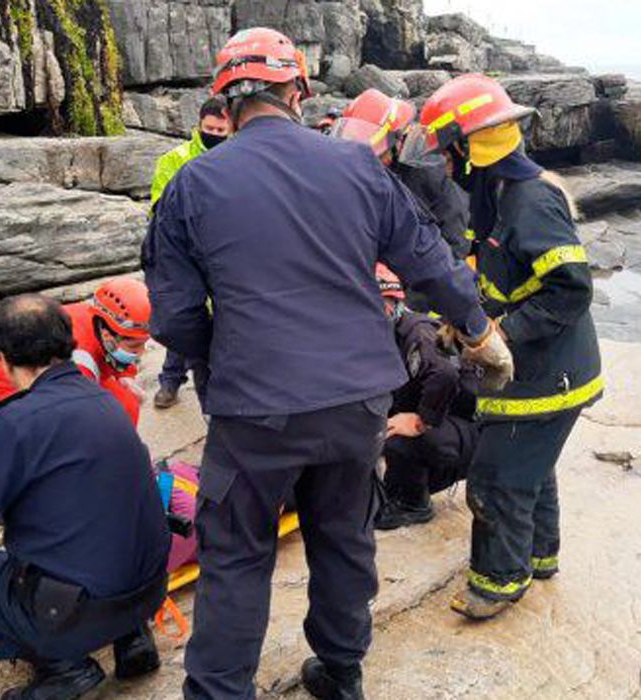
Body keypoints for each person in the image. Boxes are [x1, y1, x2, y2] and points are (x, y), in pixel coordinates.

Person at [143, 27, 510, 700]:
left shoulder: (192, 185)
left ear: (223, 102)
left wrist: (213, 369)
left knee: (237, 556)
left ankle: (221, 691)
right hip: (356, 400)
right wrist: (480, 329)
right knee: (343, 538)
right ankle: (341, 674)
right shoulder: (355, 166)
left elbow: (173, 317)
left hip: (253, 409)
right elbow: (431, 259)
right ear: (299, 90)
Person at [0, 294, 171, 699]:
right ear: (68, 342)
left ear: (3, 358)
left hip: (77, 609)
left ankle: (63, 666)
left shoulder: (12, 424)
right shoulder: (110, 399)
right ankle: (132, 640)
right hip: (148, 591)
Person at [416, 74, 603, 620]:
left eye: (447, 150)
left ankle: (498, 582)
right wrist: (470, 315)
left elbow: (571, 287)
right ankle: (540, 556)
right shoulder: (494, 193)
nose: (443, 163)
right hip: (535, 368)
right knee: (532, 469)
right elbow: (496, 269)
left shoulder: (531, 201)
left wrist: (500, 335)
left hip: (549, 373)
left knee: (498, 476)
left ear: (470, 147)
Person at [372, 264, 478, 531]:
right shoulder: (387, 335)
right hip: (452, 425)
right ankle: (406, 486)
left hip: (472, 433)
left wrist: (421, 421)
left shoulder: (417, 332)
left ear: (389, 304)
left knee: (393, 433)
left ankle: (412, 503)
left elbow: (444, 375)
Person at [150, 96, 231, 410]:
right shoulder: (175, 159)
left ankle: (214, 396)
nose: (214, 133)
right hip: (184, 258)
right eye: (209, 128)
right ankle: (170, 380)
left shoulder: (237, 159)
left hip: (222, 259)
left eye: (220, 129)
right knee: (182, 321)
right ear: (198, 125)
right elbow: (159, 207)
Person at [0, 277, 150, 426]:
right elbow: (76, 410)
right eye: (134, 347)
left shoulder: (102, 319)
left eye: (143, 344)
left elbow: (119, 357)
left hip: (61, 372)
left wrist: (125, 375)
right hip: (12, 379)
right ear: (107, 335)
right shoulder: (80, 362)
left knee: (126, 405)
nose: (140, 353)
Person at [336, 89, 472, 261]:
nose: (366, 163)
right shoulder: (350, 171)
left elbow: (455, 246)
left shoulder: (431, 174)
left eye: (377, 156)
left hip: (422, 269)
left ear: (398, 143)